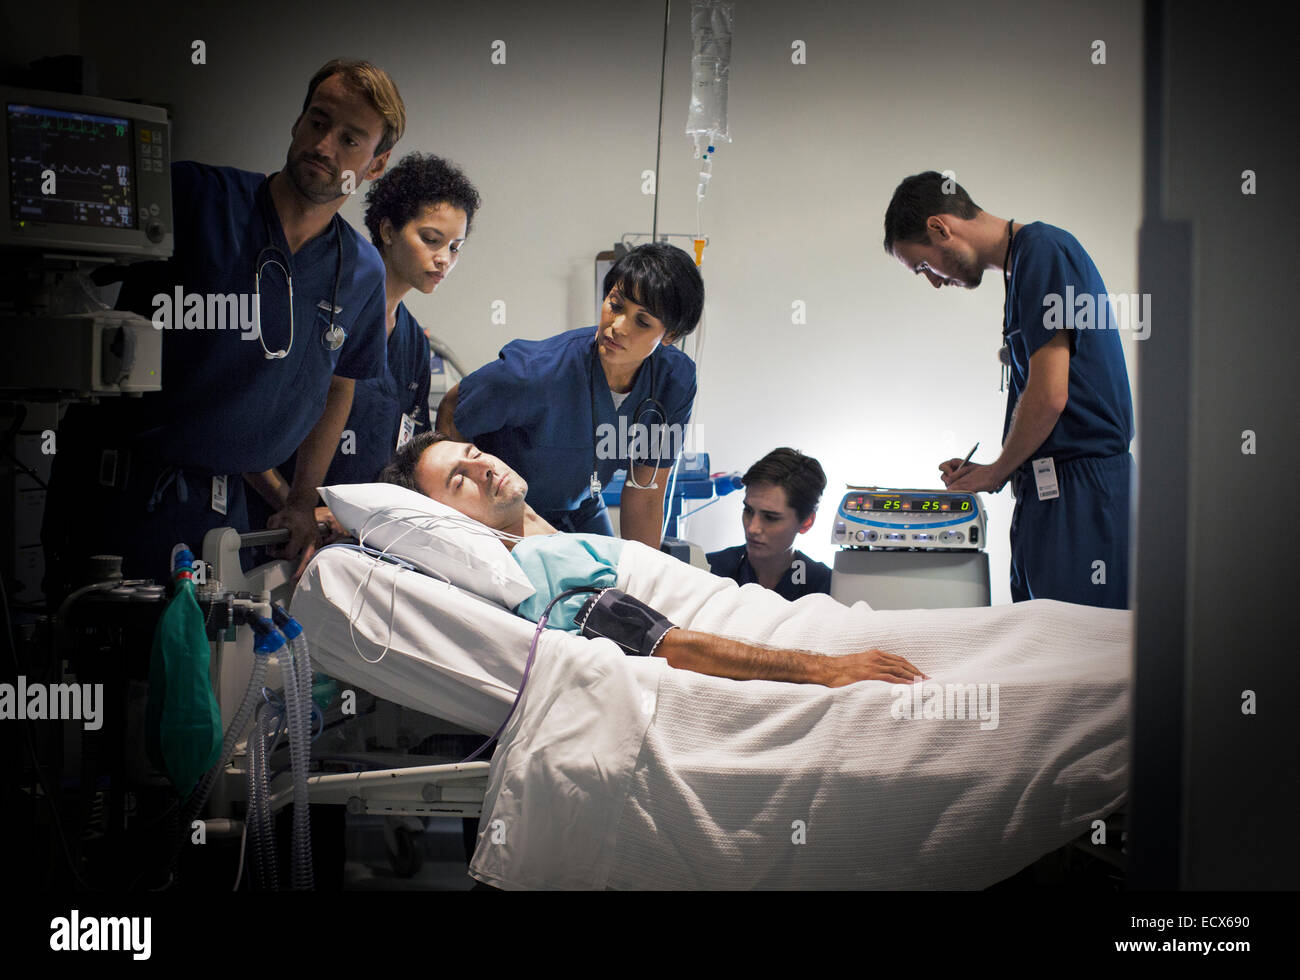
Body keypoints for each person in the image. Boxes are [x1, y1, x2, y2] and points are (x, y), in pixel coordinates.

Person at [42, 59, 405, 596]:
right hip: (117, 485)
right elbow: (64, 273)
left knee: (204, 666)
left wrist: (303, 497)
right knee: (95, 654)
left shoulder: (358, 271)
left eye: (350, 139)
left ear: (375, 165)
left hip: (220, 507)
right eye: (318, 121)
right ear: (297, 121)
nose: (324, 146)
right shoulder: (195, 198)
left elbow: (339, 384)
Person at [375, 431, 926, 688]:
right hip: (789, 648)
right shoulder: (541, 571)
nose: (482, 467)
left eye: (472, 454)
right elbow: (670, 645)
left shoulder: (561, 537)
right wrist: (826, 668)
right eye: (458, 479)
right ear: (447, 522)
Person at [883, 171, 1134, 609]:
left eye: (924, 265)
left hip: (1081, 496)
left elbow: (1051, 394)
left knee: (1074, 661)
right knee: (1040, 651)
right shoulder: (1021, 270)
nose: (935, 281)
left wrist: (996, 470)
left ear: (940, 228)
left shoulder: (1045, 250)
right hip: (1046, 492)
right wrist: (998, 468)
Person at [248, 153, 481, 528]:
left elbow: (403, 458)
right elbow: (245, 423)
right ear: (387, 231)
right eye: (431, 239)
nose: (444, 260)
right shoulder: (322, 312)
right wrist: (297, 508)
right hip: (275, 525)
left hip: (356, 535)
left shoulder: (415, 345)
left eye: (455, 248)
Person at [435, 243, 702, 551]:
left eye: (642, 321)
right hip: (508, 505)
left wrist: (642, 580)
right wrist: (459, 523)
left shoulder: (674, 382)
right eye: (616, 305)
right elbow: (454, 407)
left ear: (670, 336)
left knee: (617, 584)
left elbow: (646, 492)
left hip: (583, 505)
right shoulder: (534, 373)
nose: (617, 327)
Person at [707, 448, 833, 600]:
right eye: (748, 511)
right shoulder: (709, 570)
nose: (753, 528)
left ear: (806, 522)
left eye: (770, 517)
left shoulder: (825, 587)